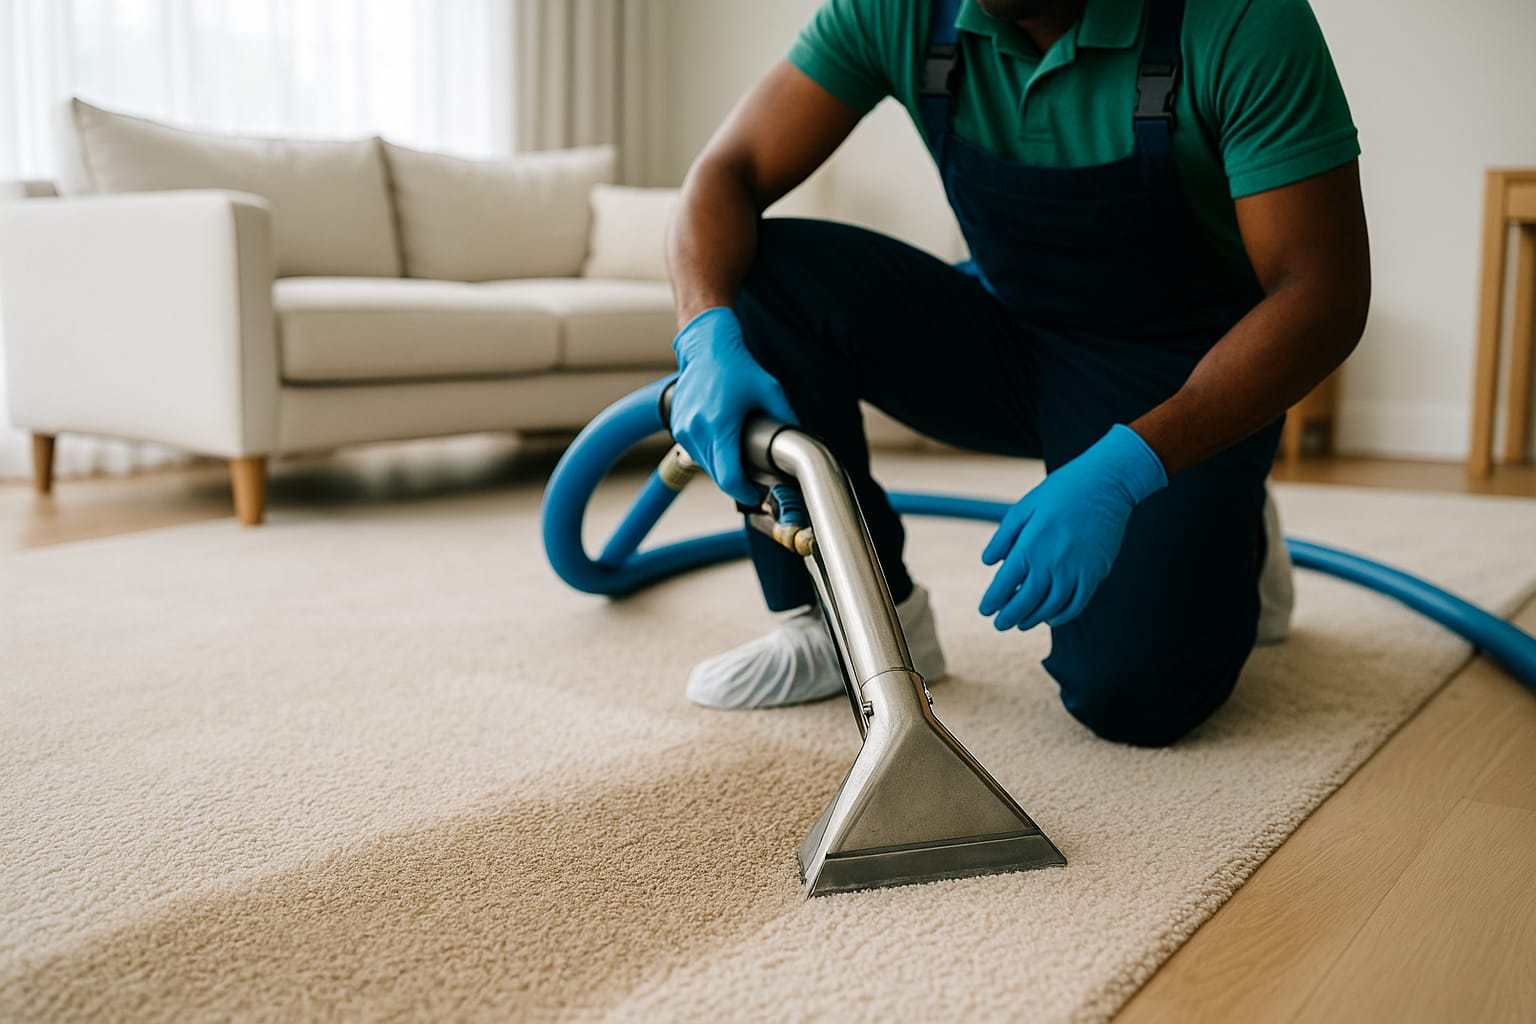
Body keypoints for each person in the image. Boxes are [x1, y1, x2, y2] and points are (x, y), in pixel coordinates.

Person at [663, 0, 1370, 746]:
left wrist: (1133, 467)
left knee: (1135, 696)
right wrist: (704, 334)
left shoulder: (1240, 19)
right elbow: (727, 172)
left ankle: (1228, 522)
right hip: (1004, 334)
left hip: (1175, 377)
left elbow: (1320, 294)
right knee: (758, 278)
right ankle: (858, 617)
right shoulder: (899, 10)